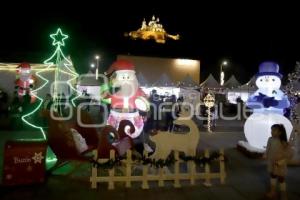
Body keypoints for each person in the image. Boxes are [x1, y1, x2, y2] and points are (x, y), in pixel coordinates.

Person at [265, 124, 293, 199]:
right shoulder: (270, 139)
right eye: (271, 130)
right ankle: (272, 191)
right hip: (271, 162)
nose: (272, 132)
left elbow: (289, 154)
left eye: (274, 130)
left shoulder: (283, 142)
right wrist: (265, 154)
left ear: (280, 132)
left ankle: (283, 194)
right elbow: (268, 148)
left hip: (280, 164)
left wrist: (282, 161)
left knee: (281, 178)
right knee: (272, 175)